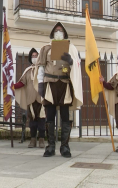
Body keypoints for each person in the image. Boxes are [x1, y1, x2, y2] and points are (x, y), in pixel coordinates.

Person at [34, 22, 83, 158]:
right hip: (49, 84)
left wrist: (71, 60)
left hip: (64, 84)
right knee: (50, 115)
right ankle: (50, 146)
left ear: (65, 33)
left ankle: (65, 147)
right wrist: (40, 85)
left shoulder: (71, 48)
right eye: (56, 30)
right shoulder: (45, 49)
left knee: (65, 116)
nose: (58, 32)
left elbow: (76, 67)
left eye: (61, 30)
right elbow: (41, 68)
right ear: (52, 33)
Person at [14, 48, 45, 148]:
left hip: (41, 99)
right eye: (33, 56)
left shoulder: (43, 69)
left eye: (36, 56)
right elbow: (22, 83)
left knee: (42, 120)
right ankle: (32, 140)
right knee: (32, 121)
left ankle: (41, 140)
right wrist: (11, 86)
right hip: (31, 100)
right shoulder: (27, 71)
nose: (34, 58)